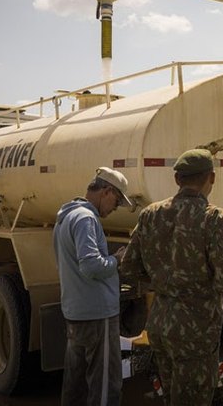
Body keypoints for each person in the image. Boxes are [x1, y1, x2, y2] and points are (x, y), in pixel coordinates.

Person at [121, 149, 223, 406]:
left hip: (160, 326)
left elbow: (130, 268)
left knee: (171, 398)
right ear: (211, 178)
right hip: (196, 333)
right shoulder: (214, 219)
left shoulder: (150, 215)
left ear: (177, 179)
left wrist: (163, 281)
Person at [53, 166, 133, 406]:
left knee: (75, 384)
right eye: (116, 201)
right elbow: (91, 267)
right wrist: (116, 259)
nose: (115, 208)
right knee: (106, 386)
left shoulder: (66, 216)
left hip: (76, 312)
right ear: (106, 191)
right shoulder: (86, 219)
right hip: (97, 315)